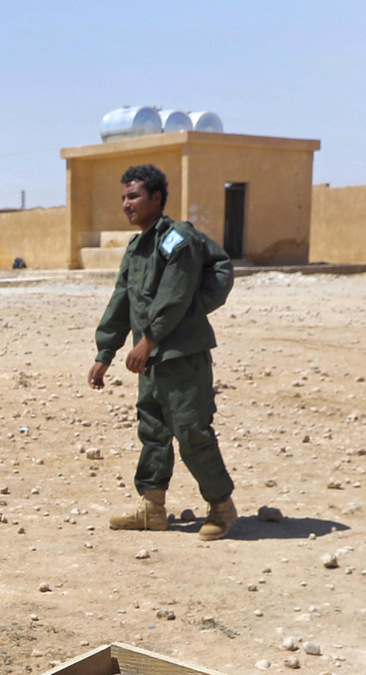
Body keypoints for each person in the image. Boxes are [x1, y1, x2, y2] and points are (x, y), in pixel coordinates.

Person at [88, 163, 237, 540]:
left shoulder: (177, 238)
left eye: (134, 196)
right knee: (152, 432)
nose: (127, 204)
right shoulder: (138, 247)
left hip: (181, 357)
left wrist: (148, 339)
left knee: (191, 432)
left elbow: (175, 291)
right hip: (151, 360)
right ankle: (152, 508)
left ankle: (221, 506)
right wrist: (104, 352)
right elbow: (121, 300)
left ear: (156, 198)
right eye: (123, 197)